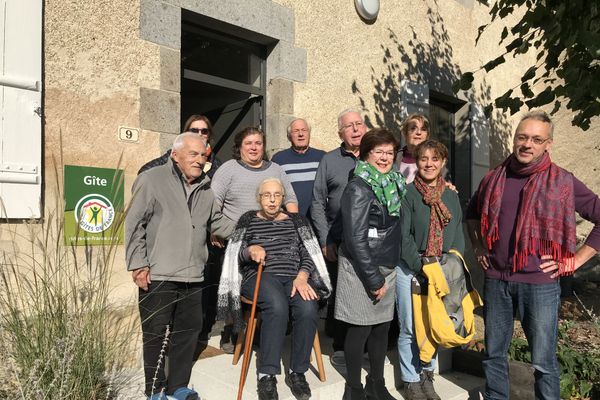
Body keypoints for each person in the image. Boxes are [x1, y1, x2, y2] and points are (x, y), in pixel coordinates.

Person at [466, 110, 600, 400]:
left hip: (540, 284)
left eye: (536, 139)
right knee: (494, 355)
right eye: (522, 137)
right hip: (497, 281)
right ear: (515, 139)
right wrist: (478, 247)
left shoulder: (564, 182)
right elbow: (472, 214)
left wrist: (576, 259)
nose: (527, 144)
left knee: (543, 362)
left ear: (547, 144)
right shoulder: (493, 178)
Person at [125, 133, 234, 400]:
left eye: (203, 155)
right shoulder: (152, 180)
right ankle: (155, 390)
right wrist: (138, 264)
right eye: (193, 154)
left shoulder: (206, 188)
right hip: (158, 273)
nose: (200, 160)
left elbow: (217, 222)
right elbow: (134, 223)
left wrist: (252, 227)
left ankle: (178, 387)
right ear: (175, 155)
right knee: (156, 335)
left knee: (188, 333)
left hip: (193, 274)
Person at [217, 178, 331, 400]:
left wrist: (302, 276)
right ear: (259, 198)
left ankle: (298, 372)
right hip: (259, 276)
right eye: (267, 195)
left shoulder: (296, 220)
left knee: (308, 308)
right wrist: (250, 250)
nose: (271, 200)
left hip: (293, 277)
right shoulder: (248, 219)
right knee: (277, 306)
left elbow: (309, 252)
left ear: (283, 198)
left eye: (277, 195)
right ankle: (266, 375)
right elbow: (234, 254)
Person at [211, 126, 299, 352]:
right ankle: (231, 327)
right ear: (239, 147)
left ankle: (263, 328)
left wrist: (295, 227)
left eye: (258, 143)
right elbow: (213, 204)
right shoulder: (228, 169)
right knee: (235, 286)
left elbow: (290, 199)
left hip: (271, 238)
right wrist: (216, 230)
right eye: (248, 143)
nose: (253, 147)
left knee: (270, 283)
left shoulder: (276, 170)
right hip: (236, 237)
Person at [336, 128, 406, 400]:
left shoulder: (393, 181)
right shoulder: (359, 187)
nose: (385, 157)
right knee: (361, 327)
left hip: (385, 264)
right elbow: (354, 239)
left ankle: (376, 383)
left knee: (381, 328)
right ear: (366, 154)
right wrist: (373, 278)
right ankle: (353, 388)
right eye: (379, 152)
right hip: (362, 268)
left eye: (390, 152)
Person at [397, 140, 466, 400]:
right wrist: (420, 266)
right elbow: (403, 237)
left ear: (443, 162)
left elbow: (458, 231)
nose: (428, 164)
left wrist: (451, 265)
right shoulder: (408, 194)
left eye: (434, 159)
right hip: (412, 267)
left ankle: (427, 373)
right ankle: (411, 380)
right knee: (409, 326)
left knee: (434, 322)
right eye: (423, 158)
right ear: (416, 162)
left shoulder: (450, 195)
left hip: (441, 268)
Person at [310, 108, 367, 365]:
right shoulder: (329, 160)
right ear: (340, 133)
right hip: (339, 239)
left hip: (370, 241)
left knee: (368, 292)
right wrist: (325, 240)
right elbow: (317, 202)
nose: (355, 129)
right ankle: (342, 347)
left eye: (359, 124)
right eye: (349, 126)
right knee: (342, 295)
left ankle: (366, 346)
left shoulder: (376, 156)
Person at [138, 114, 222, 178]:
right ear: (186, 133)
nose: (199, 134)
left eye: (204, 131)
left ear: (209, 135)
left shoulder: (216, 164)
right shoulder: (175, 154)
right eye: (194, 130)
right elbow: (144, 171)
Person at [271, 118, 326, 216]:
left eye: (304, 130)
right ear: (289, 136)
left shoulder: (322, 157)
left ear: (309, 134)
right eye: (296, 131)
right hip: (290, 219)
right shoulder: (279, 159)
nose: (301, 134)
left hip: (319, 219)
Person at [396, 114, 430, 183]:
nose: (418, 132)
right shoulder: (395, 157)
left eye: (423, 129)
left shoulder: (435, 159)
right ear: (405, 133)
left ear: (427, 135)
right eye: (413, 128)